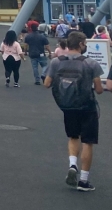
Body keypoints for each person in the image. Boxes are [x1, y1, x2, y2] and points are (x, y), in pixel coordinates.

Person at [44, 31, 106, 191]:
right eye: (85, 43)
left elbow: (47, 83)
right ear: (80, 44)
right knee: (88, 142)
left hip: (67, 106)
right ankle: (84, 181)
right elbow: (99, 90)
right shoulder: (91, 63)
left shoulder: (56, 62)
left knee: (73, 136)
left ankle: (73, 164)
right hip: (87, 107)